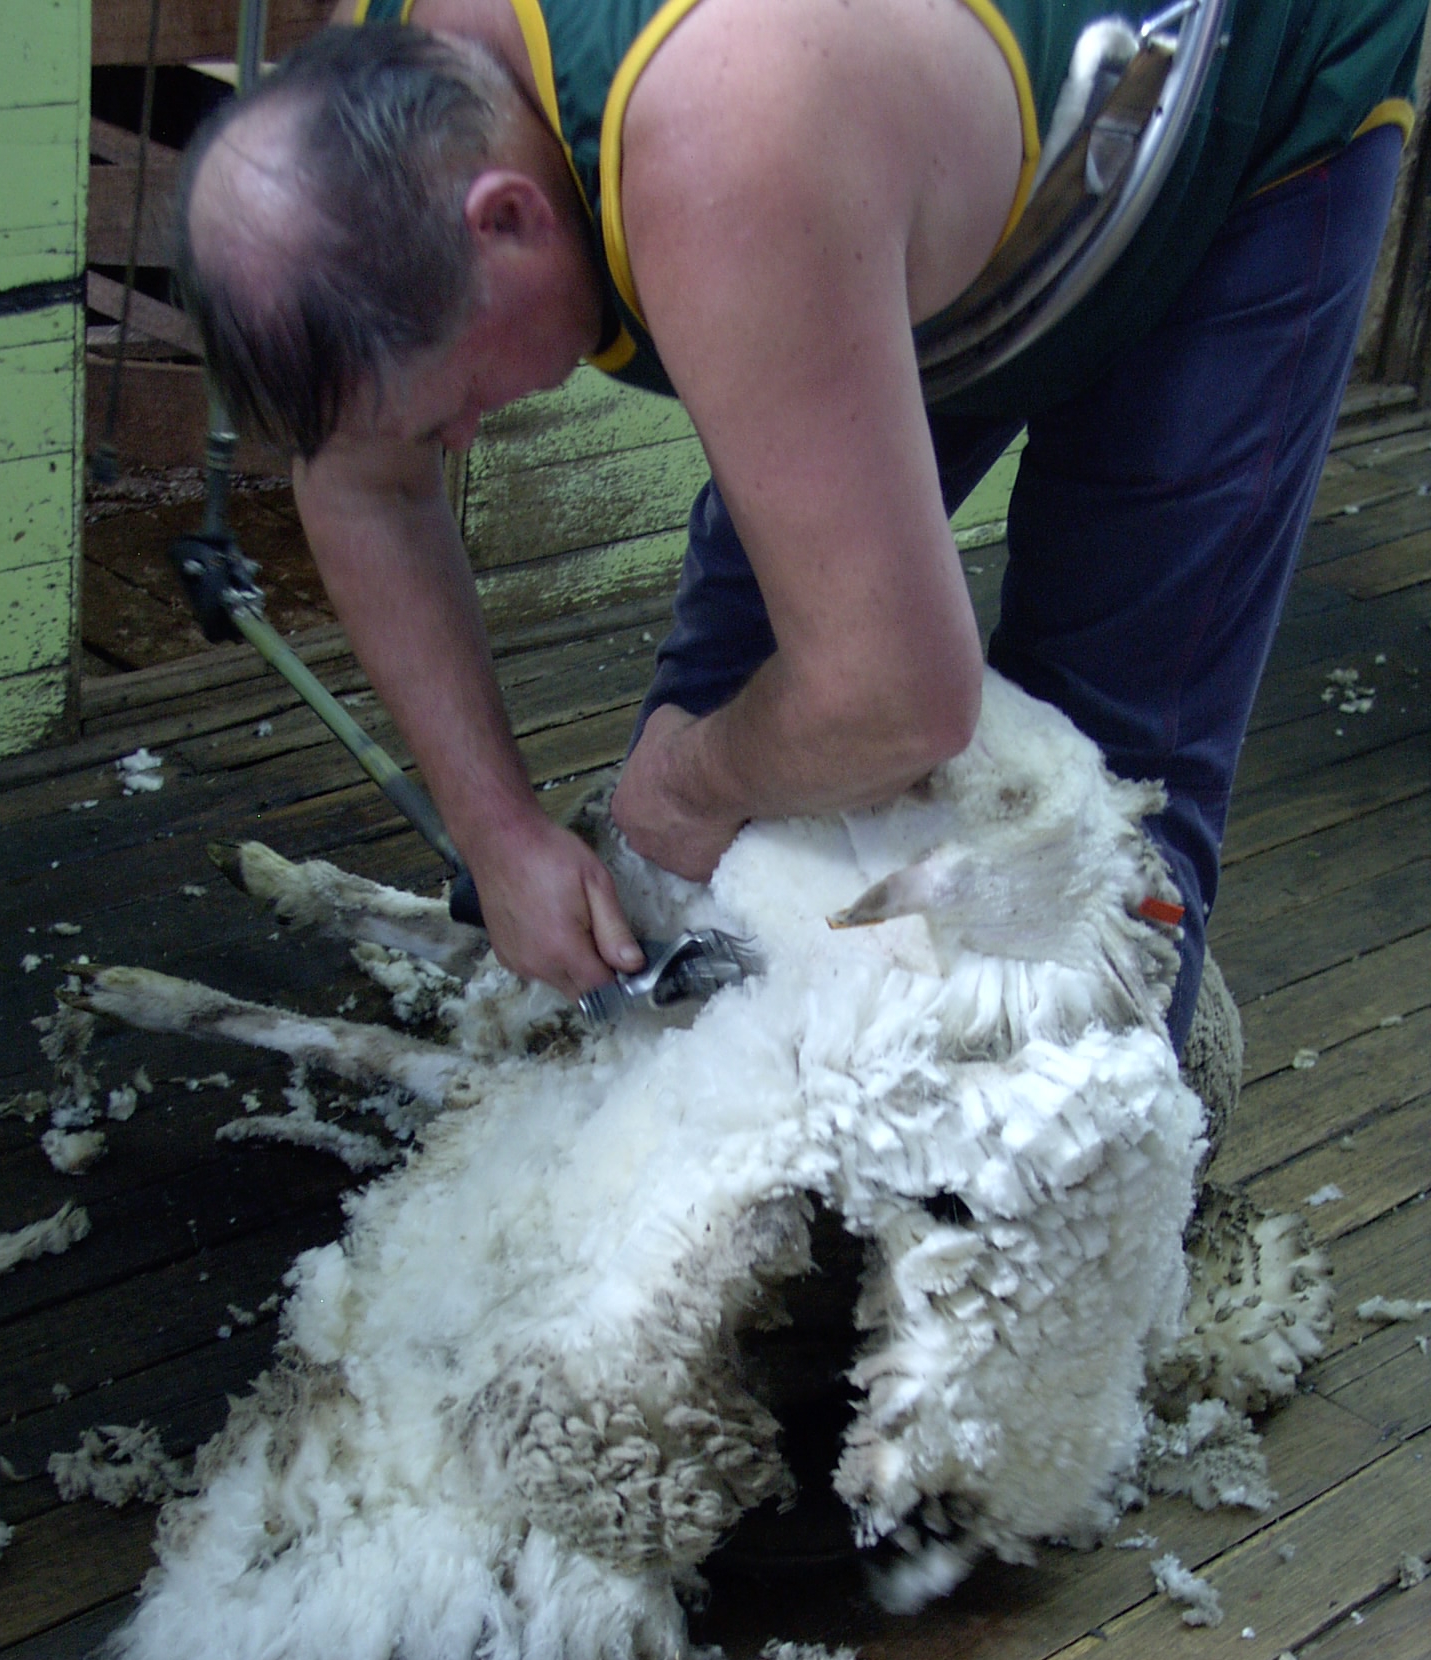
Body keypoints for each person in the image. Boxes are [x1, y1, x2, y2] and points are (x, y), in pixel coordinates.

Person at [177, 0, 1424, 1042]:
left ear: (503, 218)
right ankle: (752, 1152)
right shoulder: (372, 123)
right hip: (876, 148)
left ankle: (1052, 1261)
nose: (456, 440)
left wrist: (692, 773)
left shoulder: (719, 139)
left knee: (1095, 817)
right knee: (742, 706)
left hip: (1234, 92)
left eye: (452, 399)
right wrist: (495, 828)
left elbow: (895, 696)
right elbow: (362, 476)